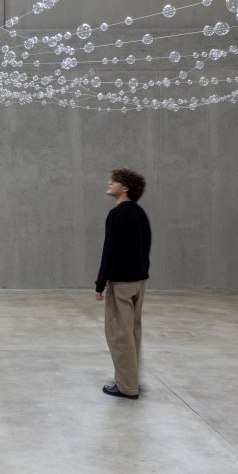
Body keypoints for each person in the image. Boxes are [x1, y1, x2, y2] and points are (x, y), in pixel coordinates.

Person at [94, 168, 151, 399]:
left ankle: (127, 386)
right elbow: (145, 246)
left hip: (122, 283)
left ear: (125, 187)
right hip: (139, 281)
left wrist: (100, 284)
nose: (109, 183)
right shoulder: (140, 213)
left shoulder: (117, 214)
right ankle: (131, 378)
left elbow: (110, 252)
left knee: (119, 334)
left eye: (114, 181)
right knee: (133, 332)